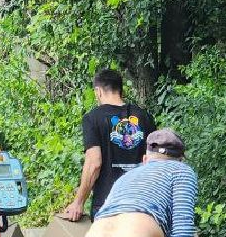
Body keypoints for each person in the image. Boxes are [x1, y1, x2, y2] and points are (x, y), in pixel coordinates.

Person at [60, 68, 156, 221]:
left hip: (108, 205)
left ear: (98, 91)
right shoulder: (145, 117)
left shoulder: (93, 118)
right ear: (121, 90)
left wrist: (78, 202)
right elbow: (155, 161)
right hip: (141, 205)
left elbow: (94, 163)